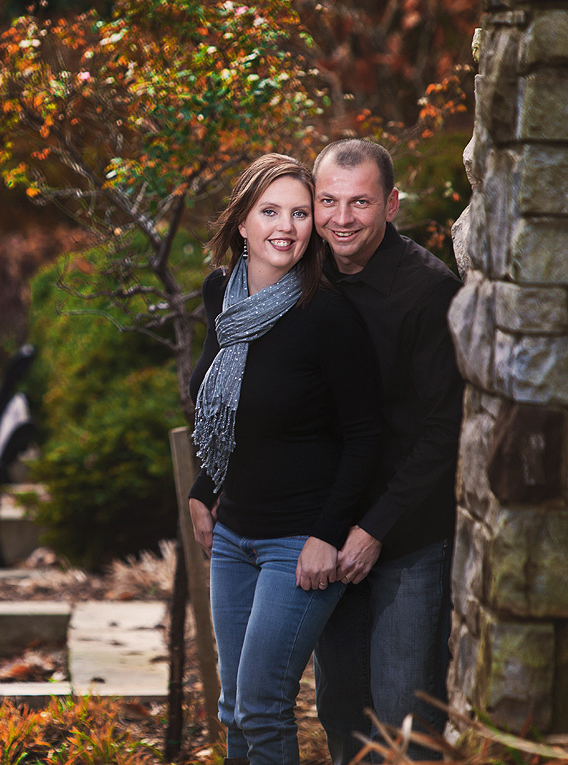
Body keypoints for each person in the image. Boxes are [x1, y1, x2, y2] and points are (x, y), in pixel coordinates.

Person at [188, 153, 382, 765]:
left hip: (297, 543)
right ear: (241, 223)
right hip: (233, 534)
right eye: (270, 211)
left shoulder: (327, 314)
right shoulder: (222, 293)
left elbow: (366, 436)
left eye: (301, 213)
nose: (287, 226)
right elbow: (223, 399)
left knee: (262, 707)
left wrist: (328, 535)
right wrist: (202, 486)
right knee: (232, 709)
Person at [310, 139, 464, 763]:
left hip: (406, 541)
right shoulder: (305, 277)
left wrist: (375, 528)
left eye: (360, 203)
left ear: (392, 205)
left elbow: (443, 430)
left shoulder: (428, 292)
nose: (341, 219)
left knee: (404, 723)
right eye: (328, 201)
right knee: (340, 713)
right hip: (325, 537)